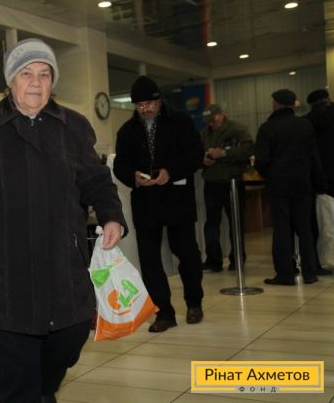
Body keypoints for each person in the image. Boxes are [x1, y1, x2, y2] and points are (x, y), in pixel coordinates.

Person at [0, 38, 126, 403]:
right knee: (17, 367)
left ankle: (42, 390)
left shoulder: (73, 126)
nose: (36, 82)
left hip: (64, 261)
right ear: (10, 80)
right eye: (26, 73)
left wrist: (111, 216)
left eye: (45, 74)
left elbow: (96, 179)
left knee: (70, 337)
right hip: (6, 267)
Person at [113, 75, 204, 333]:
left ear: (159, 101)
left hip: (177, 199)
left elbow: (195, 155)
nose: (146, 109)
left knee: (187, 254)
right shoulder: (127, 131)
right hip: (146, 202)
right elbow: (120, 165)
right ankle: (164, 312)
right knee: (150, 260)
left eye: (150, 104)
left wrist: (170, 172)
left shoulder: (181, 122)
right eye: (140, 105)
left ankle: (194, 303)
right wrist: (134, 177)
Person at [254, 89, 326, 285]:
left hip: (278, 185)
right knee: (305, 228)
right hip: (302, 183)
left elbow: (261, 160)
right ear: (293, 104)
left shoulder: (267, 128)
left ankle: (285, 274)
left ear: (276, 104)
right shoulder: (305, 125)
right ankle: (310, 272)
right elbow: (314, 156)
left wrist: (267, 173)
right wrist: (319, 182)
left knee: (282, 230)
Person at [200, 104, 254, 272]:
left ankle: (237, 259)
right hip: (212, 183)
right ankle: (213, 260)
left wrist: (224, 153)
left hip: (233, 182)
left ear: (222, 115)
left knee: (236, 222)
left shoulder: (238, 129)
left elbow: (249, 149)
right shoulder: (204, 134)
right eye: (208, 121)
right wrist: (203, 160)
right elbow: (196, 153)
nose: (211, 123)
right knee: (211, 223)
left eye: (214, 119)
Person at [303, 88, 334, 275]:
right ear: (328, 99)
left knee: (324, 224)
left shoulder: (307, 123)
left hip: (320, 180)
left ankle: (325, 261)